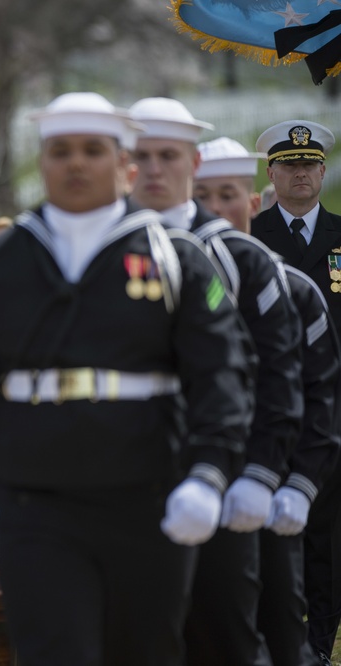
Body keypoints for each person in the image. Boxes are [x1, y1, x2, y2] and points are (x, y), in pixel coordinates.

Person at [0, 92, 254, 665]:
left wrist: (209, 472)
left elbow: (220, 373)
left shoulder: (176, 256)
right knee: (54, 651)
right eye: (60, 151)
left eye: (92, 150)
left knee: (145, 652)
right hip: (36, 504)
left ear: (125, 166)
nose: (75, 163)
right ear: (42, 163)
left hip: (149, 498)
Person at [129, 98, 303, 666]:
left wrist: (260, 471)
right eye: (141, 156)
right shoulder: (91, 249)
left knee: (224, 634)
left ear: (193, 161)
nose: (153, 170)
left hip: (222, 479)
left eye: (168, 155)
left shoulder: (241, 257)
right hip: (119, 484)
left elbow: (279, 371)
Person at [196, 135, 341, 666]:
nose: (217, 210)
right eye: (204, 196)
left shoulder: (295, 289)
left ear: (254, 203)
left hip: (279, 473)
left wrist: (298, 482)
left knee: (284, 621)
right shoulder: (162, 282)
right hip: (193, 480)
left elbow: (317, 387)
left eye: (230, 195)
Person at [251, 119, 341, 664]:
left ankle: (319, 648)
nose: (300, 173)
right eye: (289, 164)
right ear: (273, 172)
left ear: (323, 172)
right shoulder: (250, 237)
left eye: (309, 164)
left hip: (334, 411)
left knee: (329, 538)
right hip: (268, 410)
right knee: (269, 534)